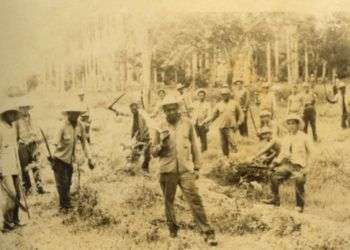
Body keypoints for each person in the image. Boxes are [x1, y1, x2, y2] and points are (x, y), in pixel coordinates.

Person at [151, 95, 217, 245]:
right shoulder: (159, 126)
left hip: (186, 170)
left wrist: (197, 166)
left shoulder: (187, 124)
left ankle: (207, 233)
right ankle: (173, 232)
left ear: (178, 109)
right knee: (169, 201)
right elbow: (153, 152)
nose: (171, 112)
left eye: (174, 109)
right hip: (167, 170)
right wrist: (161, 144)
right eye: (168, 110)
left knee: (195, 200)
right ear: (164, 111)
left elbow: (195, 145)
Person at [49, 105, 94, 213]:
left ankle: (66, 205)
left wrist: (90, 158)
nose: (75, 115)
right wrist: (51, 157)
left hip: (70, 159)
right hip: (59, 159)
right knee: (62, 183)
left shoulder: (80, 125)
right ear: (68, 114)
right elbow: (54, 143)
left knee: (68, 182)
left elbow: (84, 143)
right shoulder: (62, 126)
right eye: (72, 113)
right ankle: (64, 207)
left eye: (77, 113)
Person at [263, 114, 311, 213]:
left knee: (299, 180)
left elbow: (312, 153)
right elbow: (283, 153)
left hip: (300, 166)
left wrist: (307, 167)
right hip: (288, 165)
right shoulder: (286, 138)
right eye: (289, 124)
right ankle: (275, 200)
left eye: (293, 123)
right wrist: (275, 163)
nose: (291, 126)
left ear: (298, 125)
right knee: (274, 175)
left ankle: (299, 206)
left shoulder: (304, 137)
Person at [0, 104, 24, 231]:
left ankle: (15, 219)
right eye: (9, 113)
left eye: (13, 114)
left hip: (14, 164)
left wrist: (18, 164)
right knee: (10, 194)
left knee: (18, 194)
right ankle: (7, 223)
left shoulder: (13, 127)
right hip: (4, 167)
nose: (12, 116)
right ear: (5, 114)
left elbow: (15, 148)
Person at [16, 102, 46, 195]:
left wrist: (36, 139)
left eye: (26, 107)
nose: (25, 110)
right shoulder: (17, 120)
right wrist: (21, 142)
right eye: (23, 108)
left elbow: (36, 129)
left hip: (33, 143)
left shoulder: (32, 117)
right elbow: (16, 135)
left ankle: (40, 187)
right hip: (23, 144)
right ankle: (28, 189)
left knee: (36, 165)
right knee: (24, 167)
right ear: (20, 109)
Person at [206, 88, 243, 157]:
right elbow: (213, 115)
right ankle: (226, 158)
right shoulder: (219, 105)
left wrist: (239, 123)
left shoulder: (235, 103)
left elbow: (241, 114)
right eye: (223, 95)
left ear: (229, 95)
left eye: (226, 94)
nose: (224, 96)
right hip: (221, 127)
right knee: (223, 144)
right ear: (221, 96)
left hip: (231, 127)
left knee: (233, 143)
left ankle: (236, 158)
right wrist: (207, 121)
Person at [129, 101, 151, 172]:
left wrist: (145, 136)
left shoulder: (142, 115)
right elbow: (133, 127)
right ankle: (132, 168)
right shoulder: (133, 116)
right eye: (132, 109)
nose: (133, 110)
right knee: (135, 153)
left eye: (134, 109)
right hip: (138, 137)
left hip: (145, 136)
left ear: (137, 108)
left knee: (147, 154)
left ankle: (145, 168)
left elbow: (146, 125)